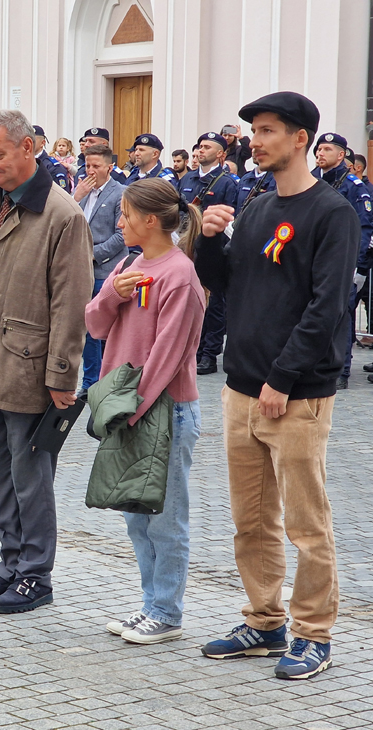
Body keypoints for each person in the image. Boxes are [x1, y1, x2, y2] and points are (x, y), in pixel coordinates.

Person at [195, 91, 353, 681]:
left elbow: (327, 307)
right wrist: (209, 239)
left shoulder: (332, 213)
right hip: (241, 389)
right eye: (253, 131)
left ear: (299, 138)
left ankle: (314, 633)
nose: (254, 141)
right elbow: (226, 285)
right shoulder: (258, 208)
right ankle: (264, 622)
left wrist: (282, 378)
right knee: (252, 520)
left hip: (296, 395)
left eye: (266, 131)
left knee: (306, 524)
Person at [0, 109, 93, 613]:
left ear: (28, 148)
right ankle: (10, 565)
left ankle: (35, 574)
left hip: (28, 367)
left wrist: (62, 376)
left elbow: (71, 302)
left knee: (31, 479)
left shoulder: (62, 214)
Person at [85, 178, 205, 644]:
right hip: (129, 407)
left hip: (163, 410)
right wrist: (113, 292)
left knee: (165, 518)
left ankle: (167, 612)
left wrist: (132, 411)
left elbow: (167, 357)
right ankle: (151, 604)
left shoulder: (180, 274)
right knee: (136, 514)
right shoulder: (131, 263)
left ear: (150, 221)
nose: (120, 223)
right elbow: (94, 324)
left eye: (126, 215)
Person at [310, 132, 372, 390]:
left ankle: (340, 369)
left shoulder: (353, 186)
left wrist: (357, 265)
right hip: (311, 260)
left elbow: (364, 228)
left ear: (341, 155)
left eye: (327, 149)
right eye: (318, 149)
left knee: (340, 316)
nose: (320, 153)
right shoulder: (309, 180)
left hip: (340, 262)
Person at [178, 132, 238, 376]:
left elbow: (231, 219)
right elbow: (179, 211)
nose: (200, 150)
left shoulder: (227, 182)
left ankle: (209, 353)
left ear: (221, 154)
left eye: (207, 147)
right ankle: (193, 348)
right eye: (200, 146)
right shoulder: (187, 178)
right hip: (186, 246)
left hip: (213, 249)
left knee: (213, 304)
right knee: (190, 299)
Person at [73, 144, 126, 391]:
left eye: (96, 166)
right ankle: (90, 382)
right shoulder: (81, 192)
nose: (90, 171)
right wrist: (76, 197)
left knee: (107, 329)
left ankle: (109, 380)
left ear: (109, 167)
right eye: (87, 165)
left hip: (105, 269)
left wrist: (92, 256)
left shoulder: (120, 193)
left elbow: (120, 236)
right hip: (81, 271)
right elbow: (66, 222)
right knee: (88, 329)